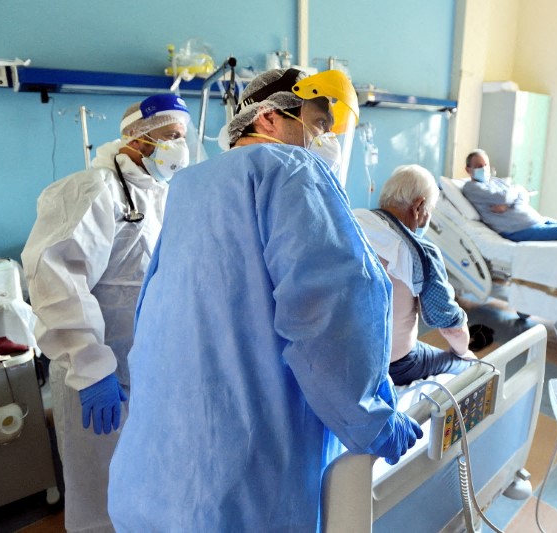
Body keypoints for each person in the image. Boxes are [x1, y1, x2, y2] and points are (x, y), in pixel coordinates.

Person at [107, 68, 422, 531]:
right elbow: (331, 323)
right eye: (317, 124)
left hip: (154, 476)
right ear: (270, 119)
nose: (324, 139)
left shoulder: (190, 186)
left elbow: (158, 309)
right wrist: (375, 423)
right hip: (243, 484)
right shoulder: (291, 170)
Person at [21, 94, 191, 532]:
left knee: (146, 485)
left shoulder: (159, 196)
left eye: (183, 137)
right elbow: (55, 276)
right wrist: (90, 364)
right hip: (95, 373)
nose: (180, 147)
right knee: (101, 491)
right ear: (137, 138)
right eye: (171, 137)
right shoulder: (92, 189)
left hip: (146, 369)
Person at [354, 165, 477, 386]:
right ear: (419, 206)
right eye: (430, 210)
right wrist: (464, 350)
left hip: (342, 358)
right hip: (394, 365)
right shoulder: (419, 253)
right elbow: (450, 326)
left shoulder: (351, 223)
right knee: (470, 365)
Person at [462, 149, 557, 242]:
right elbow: (503, 197)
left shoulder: (495, 181)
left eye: (486, 165)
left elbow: (523, 194)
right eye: (479, 166)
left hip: (536, 220)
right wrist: (513, 196)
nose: (484, 169)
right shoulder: (472, 188)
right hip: (518, 230)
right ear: (468, 169)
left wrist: (510, 202)